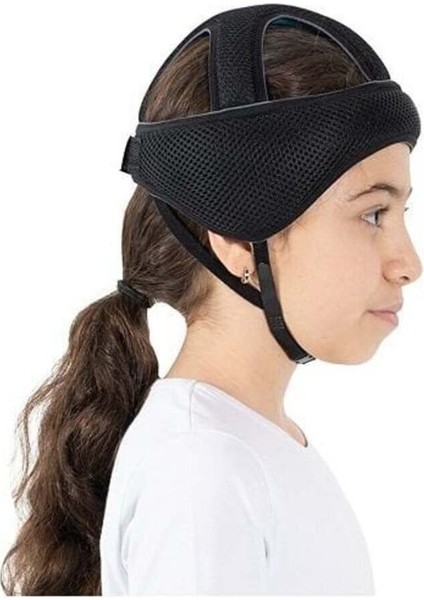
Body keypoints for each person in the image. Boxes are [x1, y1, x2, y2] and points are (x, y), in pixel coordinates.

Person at [1, 10, 421, 598]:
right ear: (238, 237)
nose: (408, 262)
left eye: (402, 213)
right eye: (373, 214)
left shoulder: (246, 445)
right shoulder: (202, 467)